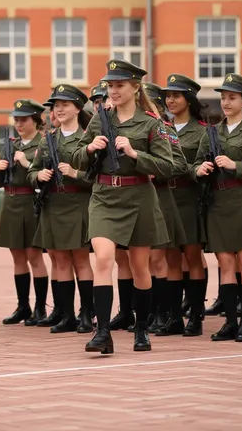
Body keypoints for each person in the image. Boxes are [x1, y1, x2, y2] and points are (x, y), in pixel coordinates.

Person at [72, 59, 173, 354]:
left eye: (119, 85)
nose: (113, 91)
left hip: (139, 197)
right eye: (110, 86)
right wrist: (90, 148)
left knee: (140, 267)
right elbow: (77, 157)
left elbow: (167, 166)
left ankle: (142, 329)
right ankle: (102, 332)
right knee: (103, 260)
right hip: (104, 195)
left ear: (135, 87)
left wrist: (133, 152)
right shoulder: (99, 118)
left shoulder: (151, 124)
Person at [192, 73, 242, 342]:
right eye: (223, 98)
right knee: (225, 263)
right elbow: (194, 163)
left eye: (232, 98)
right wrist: (200, 169)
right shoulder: (212, 131)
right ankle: (230, 322)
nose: (226, 102)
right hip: (219, 201)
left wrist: (236, 166)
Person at [28, 84, 94, 334]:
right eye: (57, 105)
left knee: (81, 260)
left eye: (65, 104)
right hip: (53, 204)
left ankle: (87, 314)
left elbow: (98, 177)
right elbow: (31, 172)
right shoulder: (48, 140)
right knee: (61, 260)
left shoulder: (88, 138)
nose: (60, 109)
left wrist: (75, 173)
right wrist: (38, 176)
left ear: (77, 108)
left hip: (78, 204)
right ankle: (66, 316)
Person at [0, 99, 49, 326]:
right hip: (11, 202)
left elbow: (47, 172)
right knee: (17, 256)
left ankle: (41, 308)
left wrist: (26, 162)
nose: (19, 124)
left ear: (35, 120)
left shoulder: (42, 143)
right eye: (16, 120)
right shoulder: (9, 144)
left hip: (31, 201)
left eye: (23, 119)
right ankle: (23, 305)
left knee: (34, 255)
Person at [159, 74, 208, 337]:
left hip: (189, 198)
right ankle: (174, 317)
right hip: (166, 199)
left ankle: (196, 318)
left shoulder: (201, 131)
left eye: (176, 95)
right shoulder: (162, 128)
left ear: (188, 99)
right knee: (171, 258)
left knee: (192, 256)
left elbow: (201, 165)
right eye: (168, 96)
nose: (171, 100)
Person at [142, 83, 189, 334]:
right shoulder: (127, 126)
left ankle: (166, 314)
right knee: (143, 260)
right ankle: (151, 312)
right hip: (137, 199)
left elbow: (179, 164)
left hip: (160, 198)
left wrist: (154, 170)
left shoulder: (164, 128)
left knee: (158, 259)